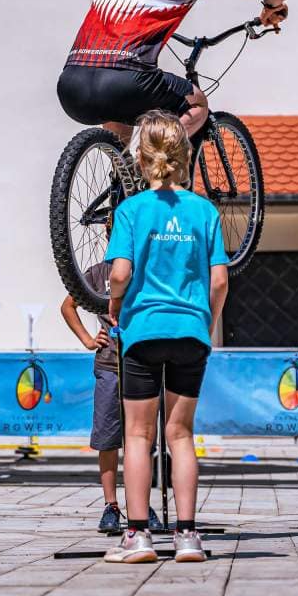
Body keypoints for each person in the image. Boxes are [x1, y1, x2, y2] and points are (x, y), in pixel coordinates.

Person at [102, 110, 229, 563]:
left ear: (141, 157)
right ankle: (188, 536)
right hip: (190, 331)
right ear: (184, 153)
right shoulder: (205, 210)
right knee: (180, 434)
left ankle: (137, 536)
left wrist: (116, 307)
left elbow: (120, 273)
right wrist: (207, 324)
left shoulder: (131, 210)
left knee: (138, 435)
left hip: (143, 330)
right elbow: (219, 282)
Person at [57, 0, 288, 147]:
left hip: (71, 85)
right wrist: (270, 9)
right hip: (128, 82)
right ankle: (149, 161)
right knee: (198, 104)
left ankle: (123, 179)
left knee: (117, 107)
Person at [60, 269, 161, 533]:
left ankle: (141, 504)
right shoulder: (98, 272)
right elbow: (68, 306)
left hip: (142, 361)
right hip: (109, 364)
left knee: (142, 439)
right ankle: (111, 505)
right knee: (107, 438)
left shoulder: (145, 264)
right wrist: (87, 339)